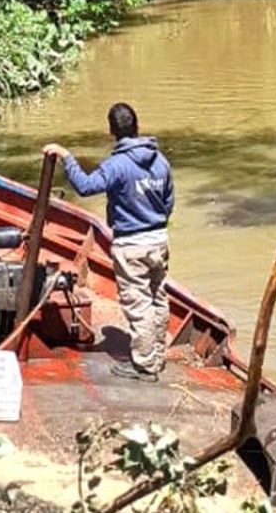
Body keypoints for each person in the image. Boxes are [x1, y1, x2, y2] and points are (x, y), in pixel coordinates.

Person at [44, 103, 173, 382]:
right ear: (136, 127)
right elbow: (169, 202)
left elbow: (86, 186)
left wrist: (67, 157)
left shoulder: (117, 165)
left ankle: (145, 366)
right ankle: (157, 354)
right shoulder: (160, 160)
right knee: (158, 298)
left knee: (138, 304)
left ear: (112, 131)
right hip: (159, 240)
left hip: (132, 244)